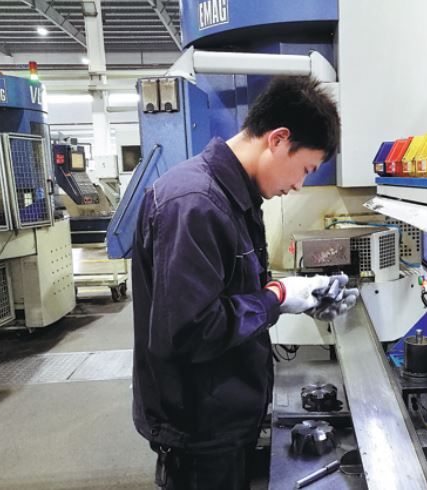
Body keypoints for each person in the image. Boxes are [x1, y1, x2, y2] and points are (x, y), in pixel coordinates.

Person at [131, 76, 358, 489]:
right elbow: (191, 331)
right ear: (278, 139)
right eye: (305, 169)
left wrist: (299, 298)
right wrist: (278, 296)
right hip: (200, 431)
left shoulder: (235, 197)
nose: (298, 185)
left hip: (224, 417)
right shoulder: (195, 203)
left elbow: (233, 293)